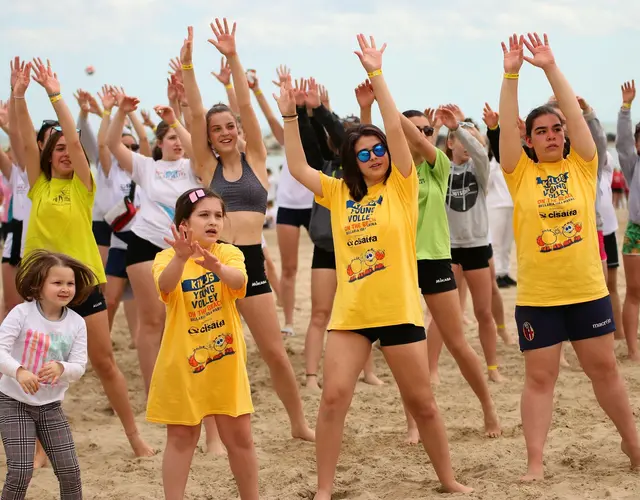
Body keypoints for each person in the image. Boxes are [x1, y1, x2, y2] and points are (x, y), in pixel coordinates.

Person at [276, 33, 472, 497]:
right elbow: (299, 168)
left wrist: (378, 75)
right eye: (363, 153)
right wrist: (288, 116)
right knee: (333, 398)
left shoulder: (402, 186)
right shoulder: (339, 192)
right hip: (353, 316)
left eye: (378, 149)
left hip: (400, 312)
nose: (374, 157)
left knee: (422, 404)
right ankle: (324, 489)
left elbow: (391, 123)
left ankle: (447, 480)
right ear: (351, 160)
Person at [499, 32, 640, 480]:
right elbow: (506, 125)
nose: (552, 135)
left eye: (557, 128)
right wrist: (512, 73)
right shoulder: (518, 172)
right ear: (530, 140)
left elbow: (576, 118)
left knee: (604, 372)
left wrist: (551, 67)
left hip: (585, 291)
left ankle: (634, 444)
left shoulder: (583, 164)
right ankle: (535, 464)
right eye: (541, 131)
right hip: (540, 297)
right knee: (540, 380)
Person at [13, 57, 153, 457]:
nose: (62, 153)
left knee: (105, 361)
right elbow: (23, 139)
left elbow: (76, 142)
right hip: (40, 285)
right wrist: (19, 93)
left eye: (66, 149)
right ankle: (39, 450)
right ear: (44, 156)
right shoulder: (37, 185)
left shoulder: (83, 185)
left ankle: (134, 437)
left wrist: (55, 94)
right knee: (35, 364)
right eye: (54, 149)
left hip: (83, 281)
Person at [180, 22, 313, 441]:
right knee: (215, 353)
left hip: (251, 262)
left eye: (229, 126)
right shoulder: (206, 167)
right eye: (217, 129)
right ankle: (214, 438)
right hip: (212, 262)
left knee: (274, 352)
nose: (224, 132)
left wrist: (234, 57)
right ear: (209, 138)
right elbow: (197, 112)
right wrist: (188, 67)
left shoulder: (256, 157)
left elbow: (249, 111)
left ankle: (298, 424)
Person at [397, 108, 501, 441]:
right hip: (402, 262)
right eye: (416, 130)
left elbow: (478, 153)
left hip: (437, 258)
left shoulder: (438, 166)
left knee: (458, 341)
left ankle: (488, 408)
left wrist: (447, 129)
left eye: (428, 131)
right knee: (407, 347)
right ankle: (412, 423)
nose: (423, 135)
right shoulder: (394, 171)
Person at [150, 188, 258, 500]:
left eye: (218, 215)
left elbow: (238, 281)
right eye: (204, 215)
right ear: (184, 224)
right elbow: (165, 286)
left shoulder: (227, 253)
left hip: (225, 362)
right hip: (181, 364)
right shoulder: (167, 257)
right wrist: (182, 257)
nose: (213, 221)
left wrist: (216, 268)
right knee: (182, 438)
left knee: (240, 438)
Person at [0, 250, 95, 500]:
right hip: (13, 403)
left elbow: (79, 366)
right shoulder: (21, 313)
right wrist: (19, 372)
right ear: (38, 286)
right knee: (20, 472)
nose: (65, 288)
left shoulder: (76, 323)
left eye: (70, 283)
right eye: (57, 282)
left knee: (70, 472)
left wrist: (61, 368)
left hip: (51, 407)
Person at [431, 105, 503, 382]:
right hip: (447, 249)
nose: (466, 145)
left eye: (471, 140)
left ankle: (493, 369)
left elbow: (481, 152)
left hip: (475, 247)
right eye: (460, 140)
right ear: (449, 144)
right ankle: (433, 369)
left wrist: (460, 128)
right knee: (441, 314)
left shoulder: (480, 169)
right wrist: (442, 129)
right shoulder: (442, 168)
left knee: (483, 312)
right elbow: (424, 156)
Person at [616, 80, 640, 360]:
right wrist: (625, 108)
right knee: (634, 291)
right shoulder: (633, 165)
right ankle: (633, 350)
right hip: (636, 232)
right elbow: (621, 144)